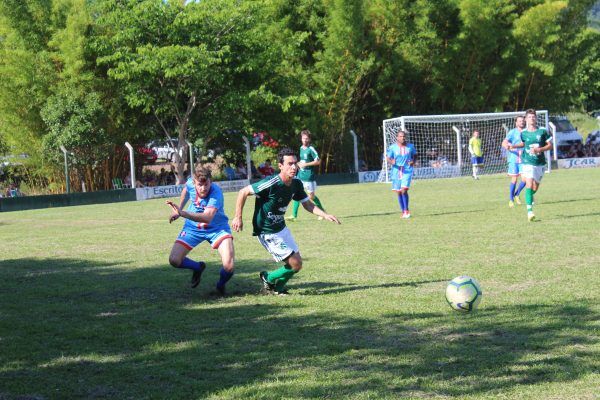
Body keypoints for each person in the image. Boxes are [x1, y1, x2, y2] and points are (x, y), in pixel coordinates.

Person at [231, 147, 340, 295]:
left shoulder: (296, 183)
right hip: (266, 230)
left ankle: (277, 287)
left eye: (295, 163)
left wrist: (325, 214)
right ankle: (268, 278)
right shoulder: (271, 183)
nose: (294, 167)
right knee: (295, 263)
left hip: (281, 228)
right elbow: (243, 192)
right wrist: (238, 217)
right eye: (289, 163)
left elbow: (307, 204)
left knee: (297, 264)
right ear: (280, 165)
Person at [166, 165, 235, 295]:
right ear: (194, 182)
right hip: (193, 228)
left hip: (217, 229)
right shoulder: (190, 184)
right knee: (174, 260)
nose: (203, 188)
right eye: (199, 185)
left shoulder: (216, 193)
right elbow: (186, 190)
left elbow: (207, 217)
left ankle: (220, 286)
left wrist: (182, 213)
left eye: (206, 184)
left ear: (211, 181)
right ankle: (198, 268)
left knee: (229, 266)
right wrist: (178, 209)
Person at [507, 109, 553, 222]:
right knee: (529, 183)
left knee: (535, 187)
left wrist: (539, 149)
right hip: (527, 162)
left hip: (540, 163)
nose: (531, 119)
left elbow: (550, 145)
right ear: (526, 119)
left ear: (536, 118)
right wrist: (514, 146)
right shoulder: (523, 133)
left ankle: (529, 196)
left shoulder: (542, 131)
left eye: (533, 117)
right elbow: (524, 143)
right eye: (529, 117)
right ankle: (529, 211)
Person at [287, 129, 326, 221]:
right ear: (301, 139)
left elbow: (318, 161)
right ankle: (294, 216)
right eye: (303, 138)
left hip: (309, 177)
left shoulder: (311, 149)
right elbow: (302, 161)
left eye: (306, 138)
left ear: (309, 139)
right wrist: (298, 164)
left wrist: (306, 164)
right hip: (300, 175)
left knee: (311, 196)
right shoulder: (301, 148)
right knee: (296, 193)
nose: (305, 140)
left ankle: (322, 212)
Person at [386, 130, 417, 218]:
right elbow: (388, 158)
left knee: (404, 190)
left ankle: (407, 211)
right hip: (396, 171)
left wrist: (413, 161)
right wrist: (392, 161)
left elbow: (415, 155)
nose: (402, 138)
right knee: (399, 192)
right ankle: (403, 211)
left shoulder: (410, 146)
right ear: (397, 137)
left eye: (404, 136)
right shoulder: (392, 147)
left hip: (407, 170)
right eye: (400, 136)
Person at [502, 115, 527, 208]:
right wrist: (506, 146)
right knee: (514, 179)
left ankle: (517, 194)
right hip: (514, 158)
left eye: (522, 121)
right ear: (516, 123)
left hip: (524, 158)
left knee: (525, 179)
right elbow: (504, 142)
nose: (522, 122)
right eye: (519, 121)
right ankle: (511, 199)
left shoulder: (526, 132)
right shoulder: (512, 132)